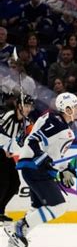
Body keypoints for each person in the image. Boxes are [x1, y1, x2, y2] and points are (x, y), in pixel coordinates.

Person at [3, 92, 77, 247]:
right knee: (59, 206)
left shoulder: (61, 125)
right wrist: (42, 157)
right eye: (75, 106)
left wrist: (66, 169)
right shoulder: (55, 121)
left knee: (37, 208)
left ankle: (15, 240)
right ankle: (19, 228)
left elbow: (54, 152)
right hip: (35, 168)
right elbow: (33, 140)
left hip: (36, 168)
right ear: (67, 108)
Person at [0, 95, 34, 224]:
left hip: (7, 154)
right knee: (3, 183)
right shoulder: (8, 116)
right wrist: (5, 146)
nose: (28, 109)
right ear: (18, 106)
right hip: (1, 150)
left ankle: (0, 211)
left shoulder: (26, 122)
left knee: (15, 184)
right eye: (25, 106)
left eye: (30, 106)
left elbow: (30, 136)